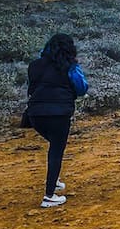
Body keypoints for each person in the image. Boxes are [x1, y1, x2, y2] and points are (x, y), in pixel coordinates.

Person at [25, 33, 88, 208]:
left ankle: (54, 179)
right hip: (59, 113)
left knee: (54, 146)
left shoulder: (35, 65)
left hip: (35, 114)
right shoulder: (69, 65)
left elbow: (31, 88)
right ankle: (49, 195)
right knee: (56, 151)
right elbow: (81, 88)